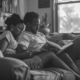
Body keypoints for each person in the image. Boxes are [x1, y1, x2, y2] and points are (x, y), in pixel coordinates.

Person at [16, 12, 80, 78]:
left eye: (39, 25)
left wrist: (59, 46)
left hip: (50, 55)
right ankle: (77, 76)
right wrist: (38, 51)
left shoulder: (40, 34)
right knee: (50, 53)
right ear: (28, 24)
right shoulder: (24, 35)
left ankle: (78, 74)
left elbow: (48, 44)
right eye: (35, 25)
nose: (38, 27)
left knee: (65, 54)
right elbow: (21, 51)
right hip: (40, 57)